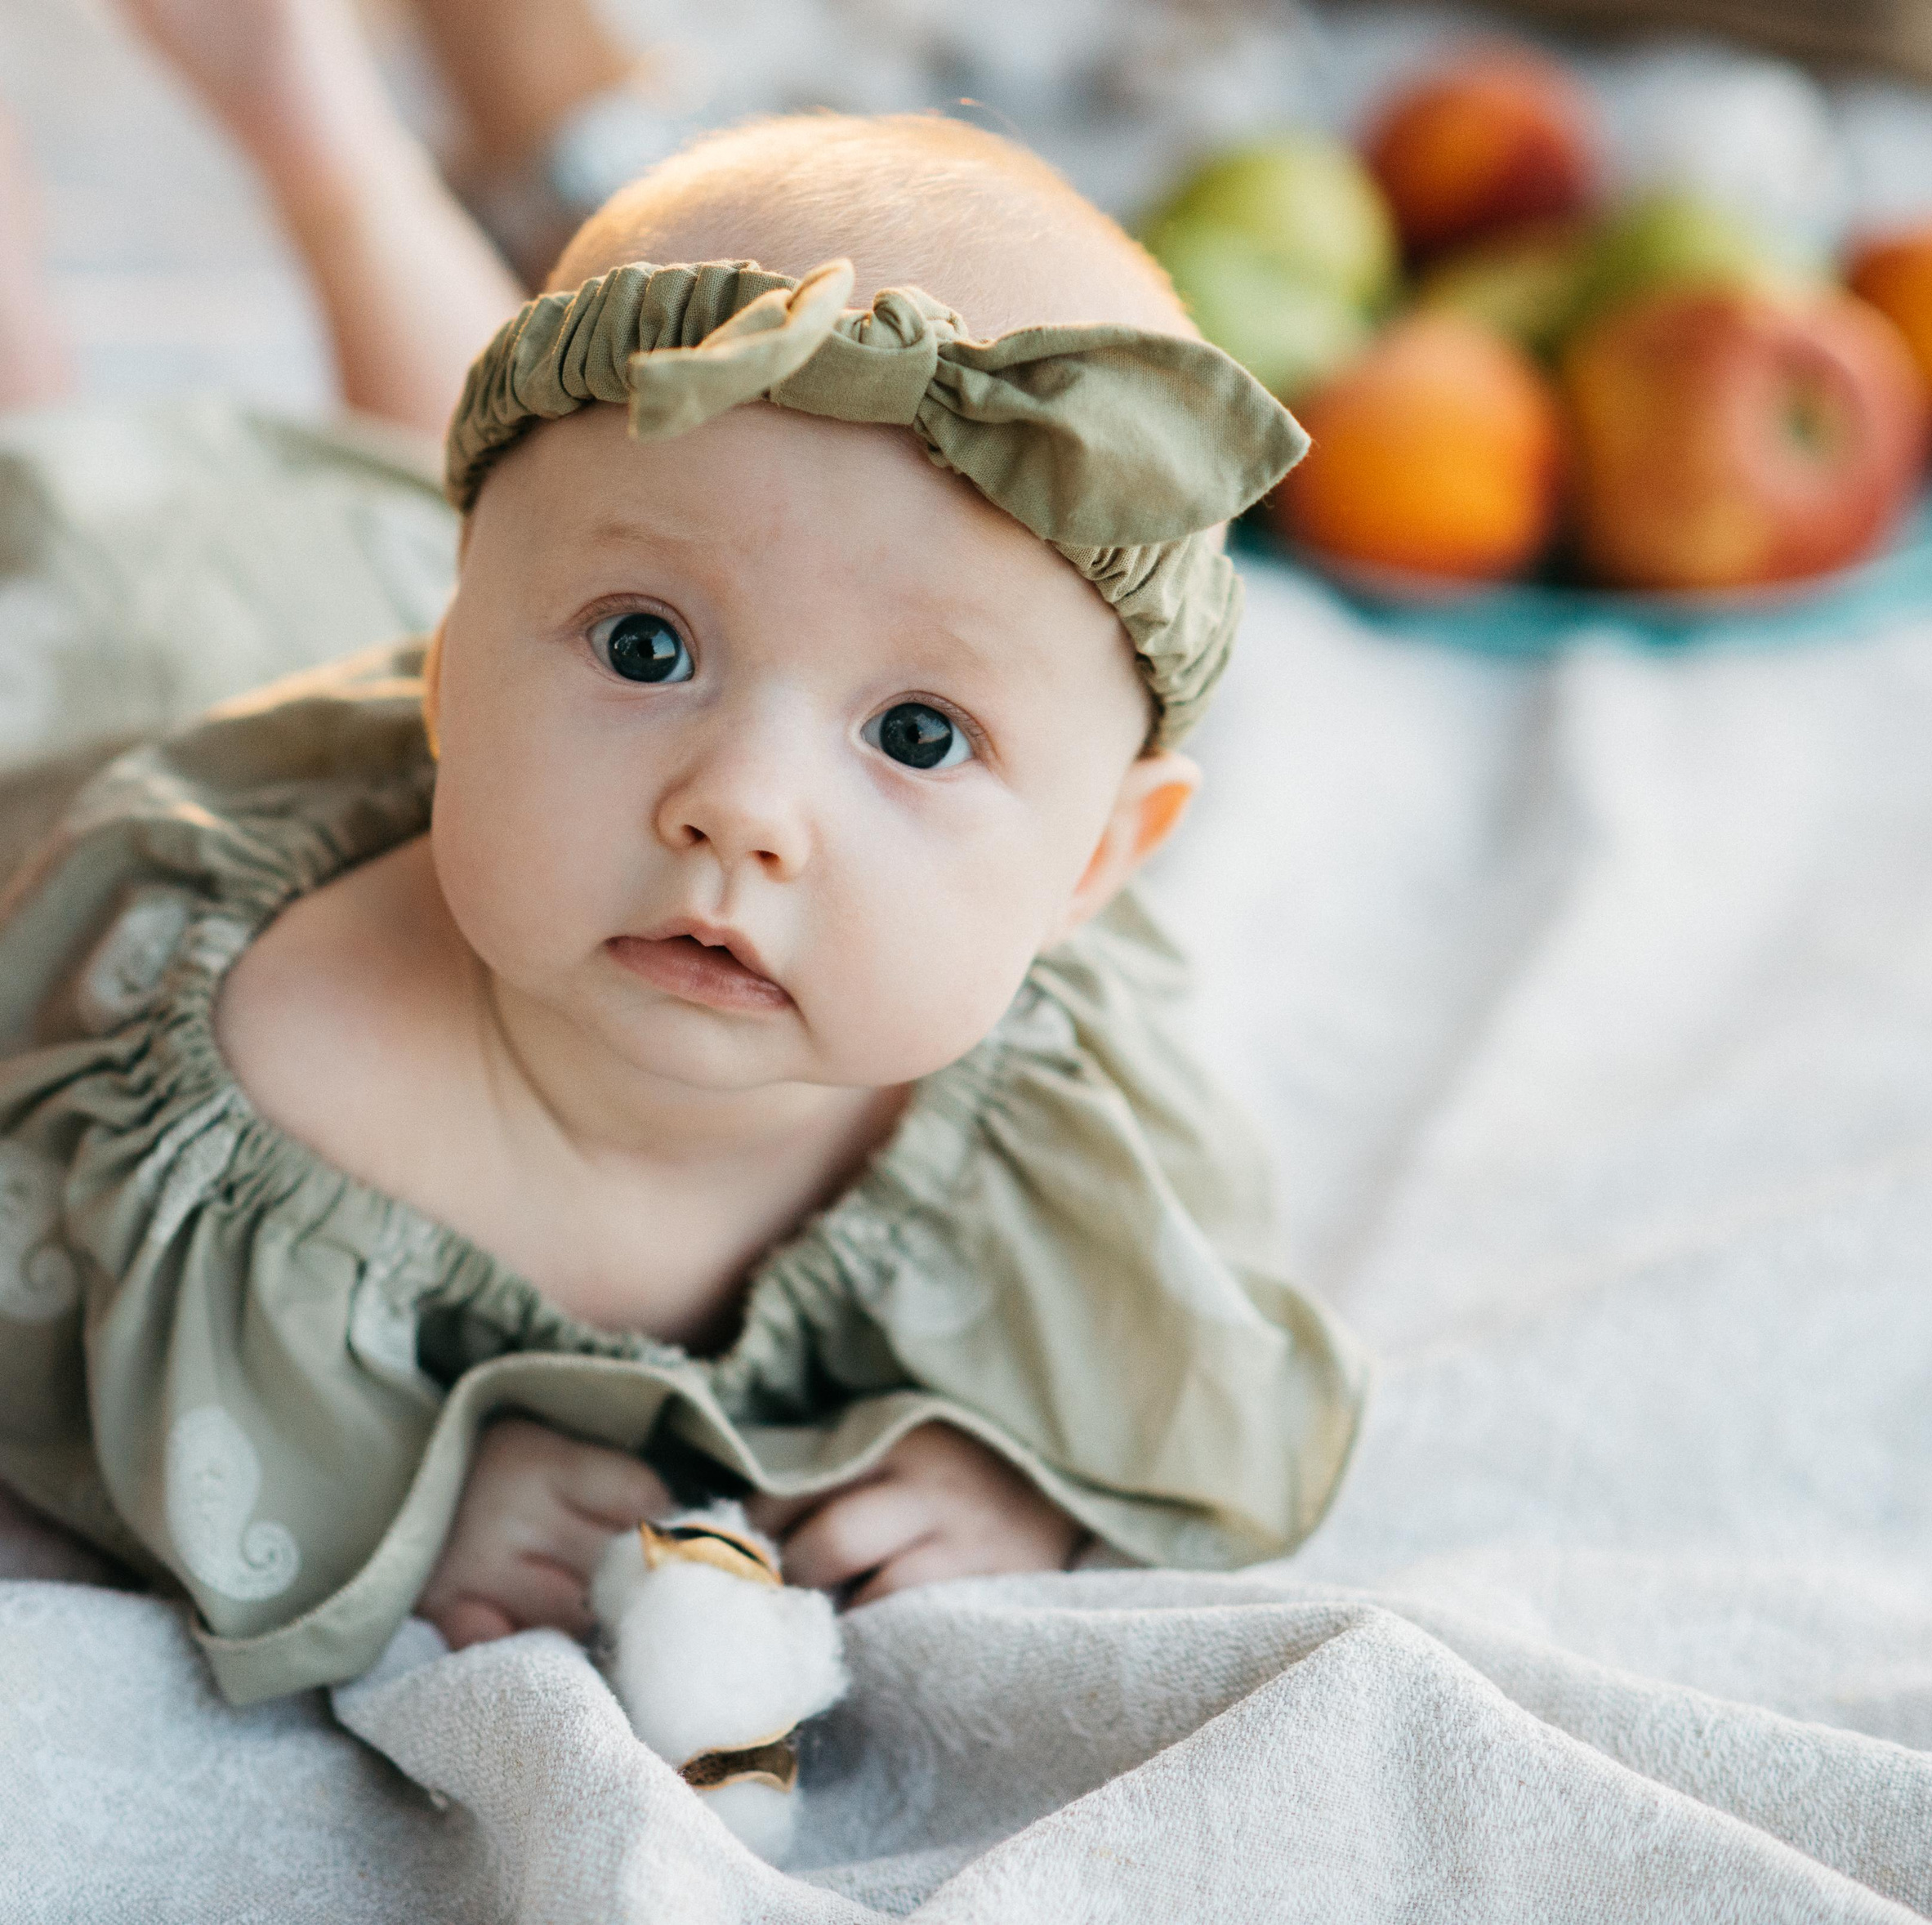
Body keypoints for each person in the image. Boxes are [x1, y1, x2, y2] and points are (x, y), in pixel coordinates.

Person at [0, 0, 1367, 1704]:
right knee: (53, 488)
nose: (741, 804)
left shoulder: (1048, 1095)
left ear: (1094, 864)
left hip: (443, 575)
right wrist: (400, 1483)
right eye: (647, 650)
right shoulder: (273, 1070)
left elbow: (1160, 1351)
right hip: (96, 688)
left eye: (918, 735)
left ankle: (315, 120)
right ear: (448, 676)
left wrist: (1017, 1472)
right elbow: (68, 1385)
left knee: (526, 488)